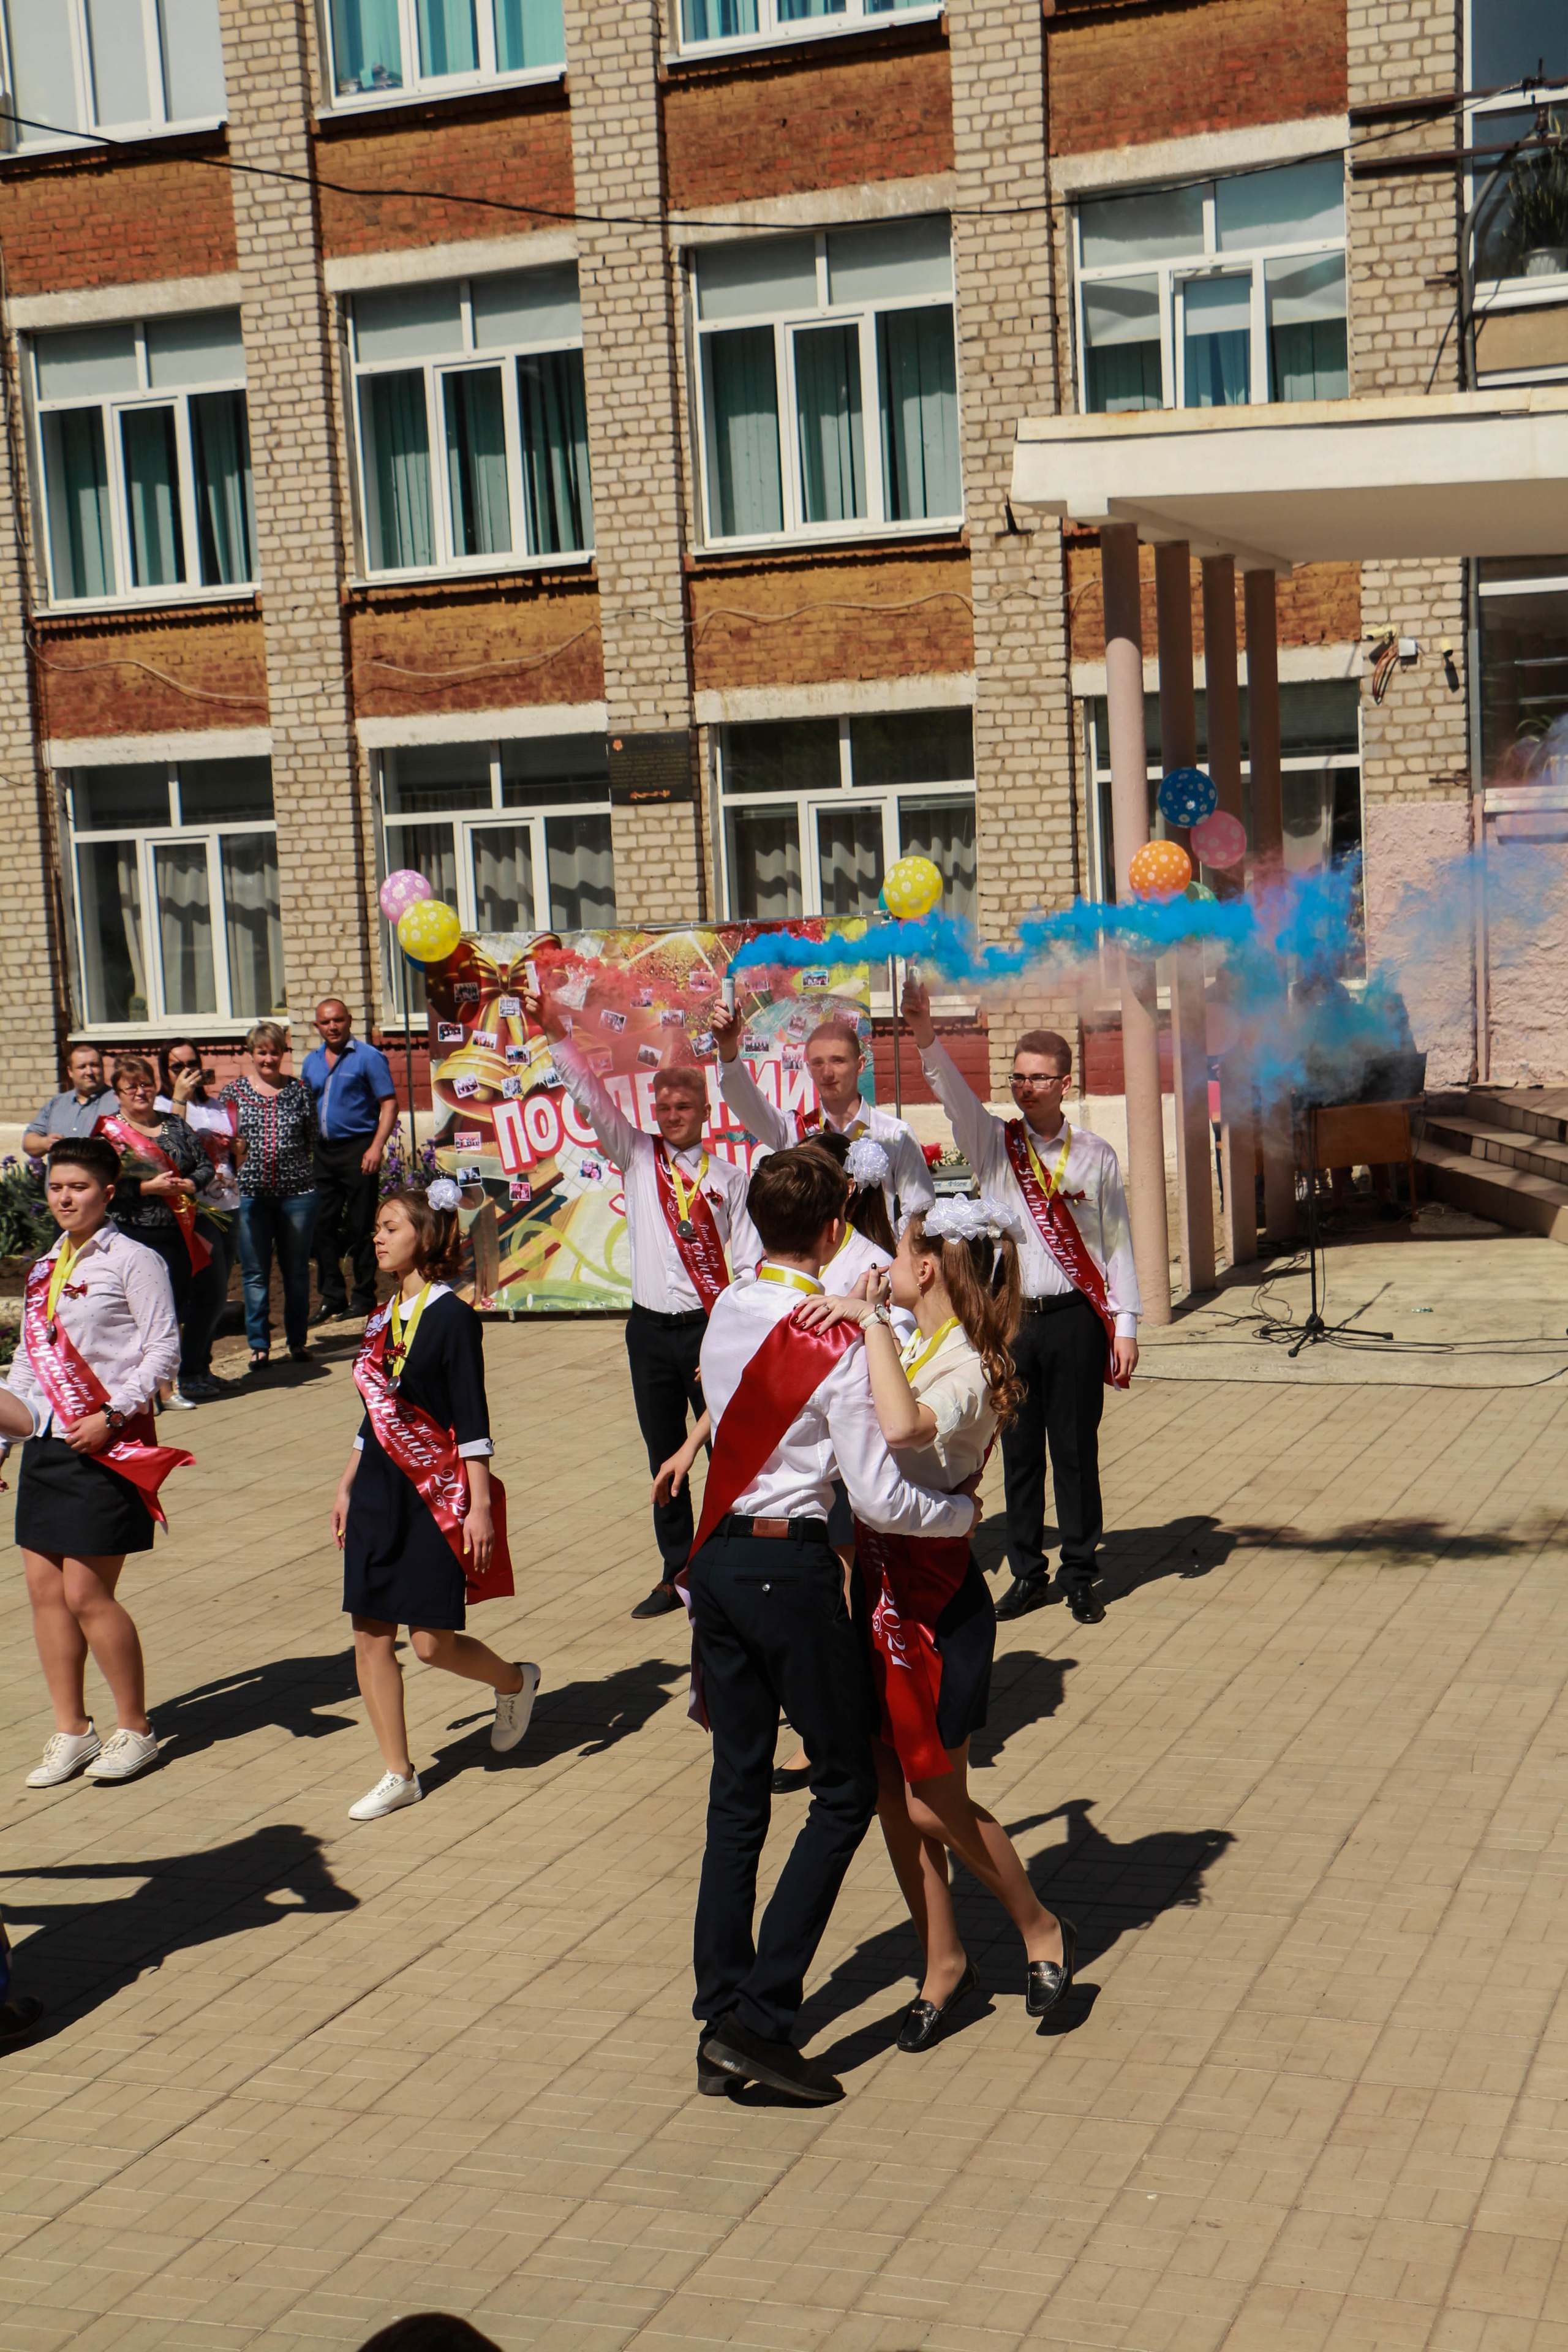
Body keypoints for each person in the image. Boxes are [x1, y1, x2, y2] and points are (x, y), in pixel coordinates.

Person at [682, 1145, 979, 2106]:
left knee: (737, 1793)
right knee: (847, 1786)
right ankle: (764, 2020)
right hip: (787, 1567)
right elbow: (886, 1498)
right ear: (829, 1230)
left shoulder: (729, 1307)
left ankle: (720, 2003)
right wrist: (964, 1519)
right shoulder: (833, 1339)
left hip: (719, 1558)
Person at [795, 1201, 1075, 2050]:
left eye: (903, 1248)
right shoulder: (909, 1336)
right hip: (873, 1595)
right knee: (889, 1791)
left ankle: (1039, 1925)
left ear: (927, 1270)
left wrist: (869, 1321)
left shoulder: (969, 1366)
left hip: (935, 1605)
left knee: (930, 1802)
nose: (881, 1261)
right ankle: (943, 1959)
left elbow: (902, 1425)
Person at [903, 977, 1140, 1627]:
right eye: (1017, 1077)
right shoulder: (992, 1144)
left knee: (1074, 1450)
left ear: (1066, 1084)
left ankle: (1082, 1572)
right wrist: (925, 1033)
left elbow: (1117, 1242)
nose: (1024, 1087)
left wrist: (1126, 1323)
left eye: (1038, 1077)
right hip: (1010, 1324)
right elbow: (953, 1094)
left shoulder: (1095, 1155)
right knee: (1018, 1453)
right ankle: (1028, 1573)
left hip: (1074, 1322)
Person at [522, 984, 762, 1620]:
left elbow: (746, 1267)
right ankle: (674, 1569)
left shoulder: (729, 1180)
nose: (673, 1112)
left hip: (711, 1332)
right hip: (650, 1331)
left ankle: (730, 1561)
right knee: (663, 1452)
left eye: (685, 1105)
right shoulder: (635, 1155)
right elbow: (591, 1100)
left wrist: (734, 1335)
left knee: (724, 1450)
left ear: (705, 1111)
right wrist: (556, 1035)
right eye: (665, 1103)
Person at [331, 1181, 538, 1821]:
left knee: (430, 1643)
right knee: (370, 1634)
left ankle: (515, 1681)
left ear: (426, 1236)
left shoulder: (451, 1316)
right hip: (375, 1491)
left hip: (433, 1494)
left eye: (391, 1227)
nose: (378, 1237)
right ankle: (398, 1772)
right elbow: (376, 1415)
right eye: (377, 1227)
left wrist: (478, 1507)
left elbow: (471, 1418)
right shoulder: (379, 1318)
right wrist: (345, 1482)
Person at [6, 1136, 190, 1789]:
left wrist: (112, 1415)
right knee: (44, 1592)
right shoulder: (41, 1269)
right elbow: (29, 1366)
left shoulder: (134, 1260)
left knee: (88, 1593)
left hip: (109, 1443)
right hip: (50, 1447)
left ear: (107, 1193)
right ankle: (72, 1730)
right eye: (57, 1187)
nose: (65, 1197)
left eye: (78, 1187)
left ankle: (136, 1728)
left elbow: (163, 1350)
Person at [710, 997, 935, 1232]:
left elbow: (920, 1211)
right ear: (808, 1068)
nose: (827, 1073)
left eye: (838, 1061)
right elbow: (744, 1100)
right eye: (818, 1063)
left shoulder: (894, 1134)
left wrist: (890, 1253)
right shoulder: (794, 1130)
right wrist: (727, 1047)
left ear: (860, 1064)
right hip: (816, 1267)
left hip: (876, 1264)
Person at [95, 1053, 213, 1409]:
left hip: (176, 1233)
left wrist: (191, 1184)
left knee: (171, 1310)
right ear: (117, 1093)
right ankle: (138, 1391)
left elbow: (204, 1164)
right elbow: (102, 1186)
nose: (140, 1092)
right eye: (131, 1087)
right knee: (133, 1315)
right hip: (132, 1235)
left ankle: (168, 1387)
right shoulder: (109, 1135)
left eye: (146, 1084)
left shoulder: (174, 1126)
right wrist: (147, 1189)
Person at [221, 1022, 320, 1372]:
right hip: (250, 1195)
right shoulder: (233, 1094)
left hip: (297, 1195)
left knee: (296, 1272)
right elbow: (224, 1142)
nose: (268, 1058)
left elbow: (311, 1138)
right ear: (251, 1054)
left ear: (283, 1053)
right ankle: (259, 1346)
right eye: (262, 1051)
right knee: (255, 1273)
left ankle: (297, 1341)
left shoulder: (300, 1091)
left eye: (274, 1051)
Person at [303, 998, 398, 1326]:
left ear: (349, 1021)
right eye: (326, 1022)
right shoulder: (311, 1062)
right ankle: (331, 1297)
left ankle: (363, 1296)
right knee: (321, 1224)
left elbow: (388, 1103)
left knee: (361, 1226)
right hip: (324, 1152)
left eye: (339, 1020)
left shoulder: (368, 1058)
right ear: (317, 1026)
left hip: (359, 1150)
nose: (333, 1027)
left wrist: (376, 1147)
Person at [159, 1041, 242, 1400]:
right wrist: (179, 1096)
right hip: (194, 1211)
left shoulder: (215, 1105)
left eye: (193, 1065)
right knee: (203, 1293)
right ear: (165, 1072)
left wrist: (238, 1147)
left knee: (217, 1292)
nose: (188, 1073)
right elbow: (171, 1143)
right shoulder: (163, 1106)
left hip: (229, 1204)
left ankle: (201, 1367)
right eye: (178, 1067)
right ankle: (187, 1372)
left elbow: (234, 1149)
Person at [22, 1043, 117, 1164]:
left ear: (103, 1068)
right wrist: (45, 1143)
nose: (89, 1072)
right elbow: (28, 1142)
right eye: (82, 1067)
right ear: (70, 1072)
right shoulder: (56, 1104)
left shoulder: (118, 1101)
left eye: (94, 1065)